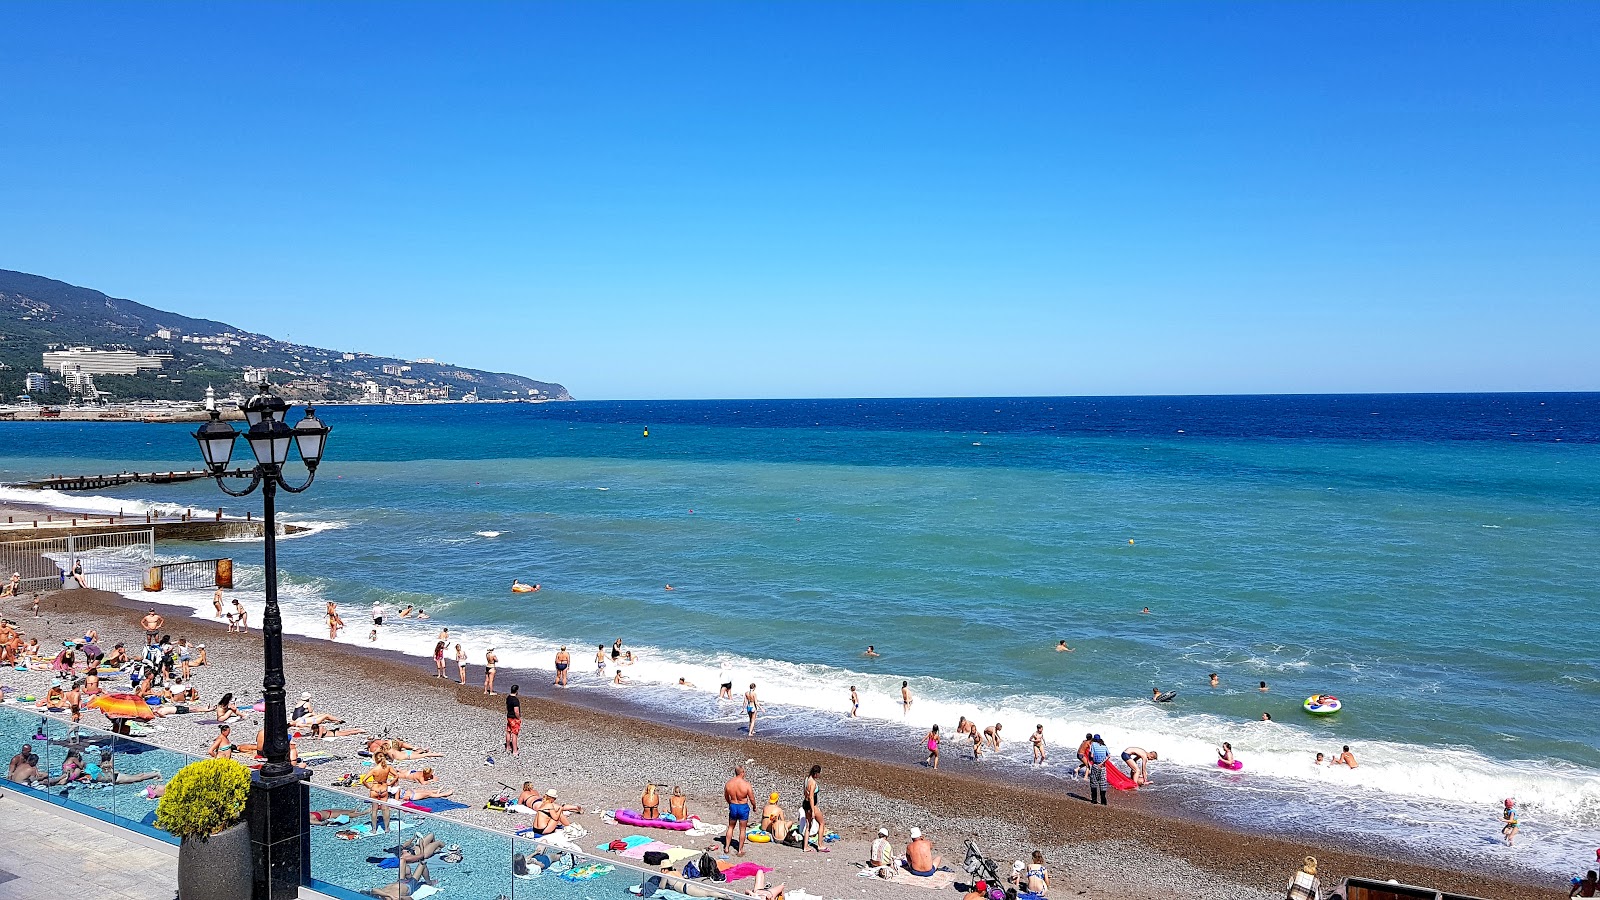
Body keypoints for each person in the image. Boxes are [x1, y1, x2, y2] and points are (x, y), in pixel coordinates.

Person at [722, 764, 755, 856]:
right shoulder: (746, 784)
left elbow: (726, 795)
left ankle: (726, 847)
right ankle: (740, 850)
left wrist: (730, 802)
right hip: (742, 806)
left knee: (731, 827)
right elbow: (752, 798)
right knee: (742, 829)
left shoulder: (729, 783)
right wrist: (754, 806)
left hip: (733, 805)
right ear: (742, 773)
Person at [802, 764, 827, 852]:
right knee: (821, 823)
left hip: (805, 804)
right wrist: (813, 810)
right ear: (816, 773)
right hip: (811, 805)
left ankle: (805, 846)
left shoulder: (807, 779)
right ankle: (820, 845)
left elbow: (805, 793)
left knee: (808, 825)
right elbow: (812, 797)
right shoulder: (813, 783)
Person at [1087, 734, 1110, 805]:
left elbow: (1091, 755)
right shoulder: (1104, 745)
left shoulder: (1093, 744)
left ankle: (1094, 800)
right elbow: (1109, 755)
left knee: (1094, 782)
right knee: (1103, 783)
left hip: (1096, 765)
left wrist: (1091, 759)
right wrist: (1102, 762)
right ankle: (1103, 801)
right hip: (1103, 766)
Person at [504, 684, 521, 754]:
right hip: (514, 718)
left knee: (508, 731)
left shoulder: (508, 697)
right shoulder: (515, 700)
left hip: (509, 716)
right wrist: (518, 718)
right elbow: (516, 711)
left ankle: (508, 747)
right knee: (514, 734)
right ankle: (515, 751)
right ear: (516, 691)